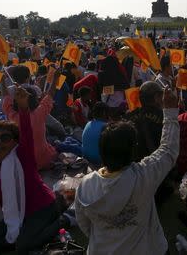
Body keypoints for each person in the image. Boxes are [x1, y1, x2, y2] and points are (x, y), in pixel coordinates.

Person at [75, 87, 179, 255]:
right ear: (133, 151)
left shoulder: (85, 185)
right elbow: (168, 149)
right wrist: (171, 110)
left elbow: (85, 224)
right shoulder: (144, 176)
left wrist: (108, 237)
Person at [0, 87, 71, 254]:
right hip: (14, 213)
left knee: (23, 246)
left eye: (5, 138)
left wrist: (23, 107)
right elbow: (6, 105)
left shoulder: (22, 156)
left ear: (16, 141)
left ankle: (63, 220)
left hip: (40, 208)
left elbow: (27, 133)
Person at [2, 72, 59, 170]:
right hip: (43, 160)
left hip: (22, 163)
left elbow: (6, 97)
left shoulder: (12, 116)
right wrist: (55, 78)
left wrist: (2, 81)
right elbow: (50, 94)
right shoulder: (39, 113)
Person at [125, 81, 164, 162]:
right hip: (155, 163)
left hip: (133, 164)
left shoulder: (129, 115)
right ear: (156, 97)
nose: (162, 99)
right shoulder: (162, 115)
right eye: (161, 96)